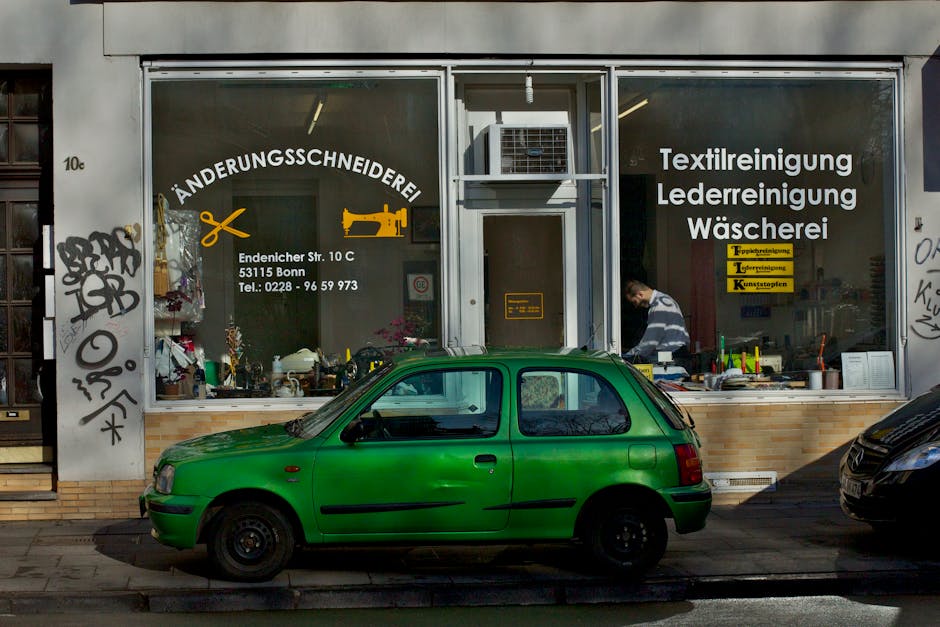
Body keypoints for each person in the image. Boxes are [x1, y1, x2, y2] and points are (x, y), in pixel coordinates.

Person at [622, 279, 690, 362]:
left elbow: (651, 341)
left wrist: (628, 356)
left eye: (635, 302)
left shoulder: (659, 305)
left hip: (673, 356)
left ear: (640, 294)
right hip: (675, 354)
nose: (636, 306)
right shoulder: (664, 300)